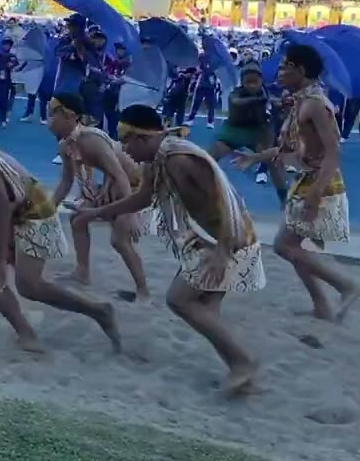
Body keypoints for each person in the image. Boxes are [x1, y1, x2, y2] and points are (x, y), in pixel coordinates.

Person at [71, 104, 265, 395]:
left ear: (143, 138)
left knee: (180, 300)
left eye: (126, 142)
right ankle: (242, 370)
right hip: (211, 238)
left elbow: (226, 200)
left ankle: (244, 363)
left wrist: (224, 250)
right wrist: (96, 213)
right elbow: (142, 198)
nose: (125, 150)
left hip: (230, 237)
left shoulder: (179, 159)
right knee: (205, 308)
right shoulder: (157, 161)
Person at [0, 103, 120, 355]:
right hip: (10, 215)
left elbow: (4, 203)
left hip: (31, 211)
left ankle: (99, 311)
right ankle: (26, 333)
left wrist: (1, 259)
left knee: (28, 285)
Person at [237, 44, 360, 321]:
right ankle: (322, 305)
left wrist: (316, 194)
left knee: (286, 246)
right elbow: (290, 148)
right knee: (291, 247)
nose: (279, 72)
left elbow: (333, 152)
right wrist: (255, 157)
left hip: (319, 183)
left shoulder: (314, 104)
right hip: (308, 179)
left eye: (284, 67)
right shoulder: (302, 101)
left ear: (300, 70)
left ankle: (346, 286)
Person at [46, 93, 151, 302]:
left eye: (52, 114)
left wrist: (130, 213)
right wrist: (47, 211)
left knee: (120, 240)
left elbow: (121, 175)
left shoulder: (91, 140)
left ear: (69, 116)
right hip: (114, 182)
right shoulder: (66, 146)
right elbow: (66, 183)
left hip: (133, 184)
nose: (49, 120)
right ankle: (82, 273)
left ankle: (143, 291)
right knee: (78, 220)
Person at [211, 66, 288, 205]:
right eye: (248, 82)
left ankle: (285, 199)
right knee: (212, 155)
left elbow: (279, 107)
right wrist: (263, 100)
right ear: (242, 82)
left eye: (255, 81)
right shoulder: (236, 93)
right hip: (234, 130)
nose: (252, 85)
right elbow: (237, 102)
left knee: (274, 162)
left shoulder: (268, 91)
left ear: (261, 80)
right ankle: (197, 189)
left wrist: (280, 104)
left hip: (257, 132)